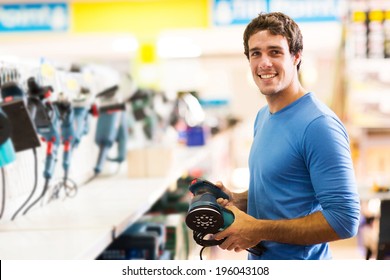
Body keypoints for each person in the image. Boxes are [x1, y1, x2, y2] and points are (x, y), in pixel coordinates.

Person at [213, 12, 360, 260]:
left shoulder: (318, 125)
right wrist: (237, 200)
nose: (264, 63)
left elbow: (345, 219)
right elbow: (286, 190)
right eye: (256, 53)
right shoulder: (263, 116)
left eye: (275, 52)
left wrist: (257, 229)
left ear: (296, 57)